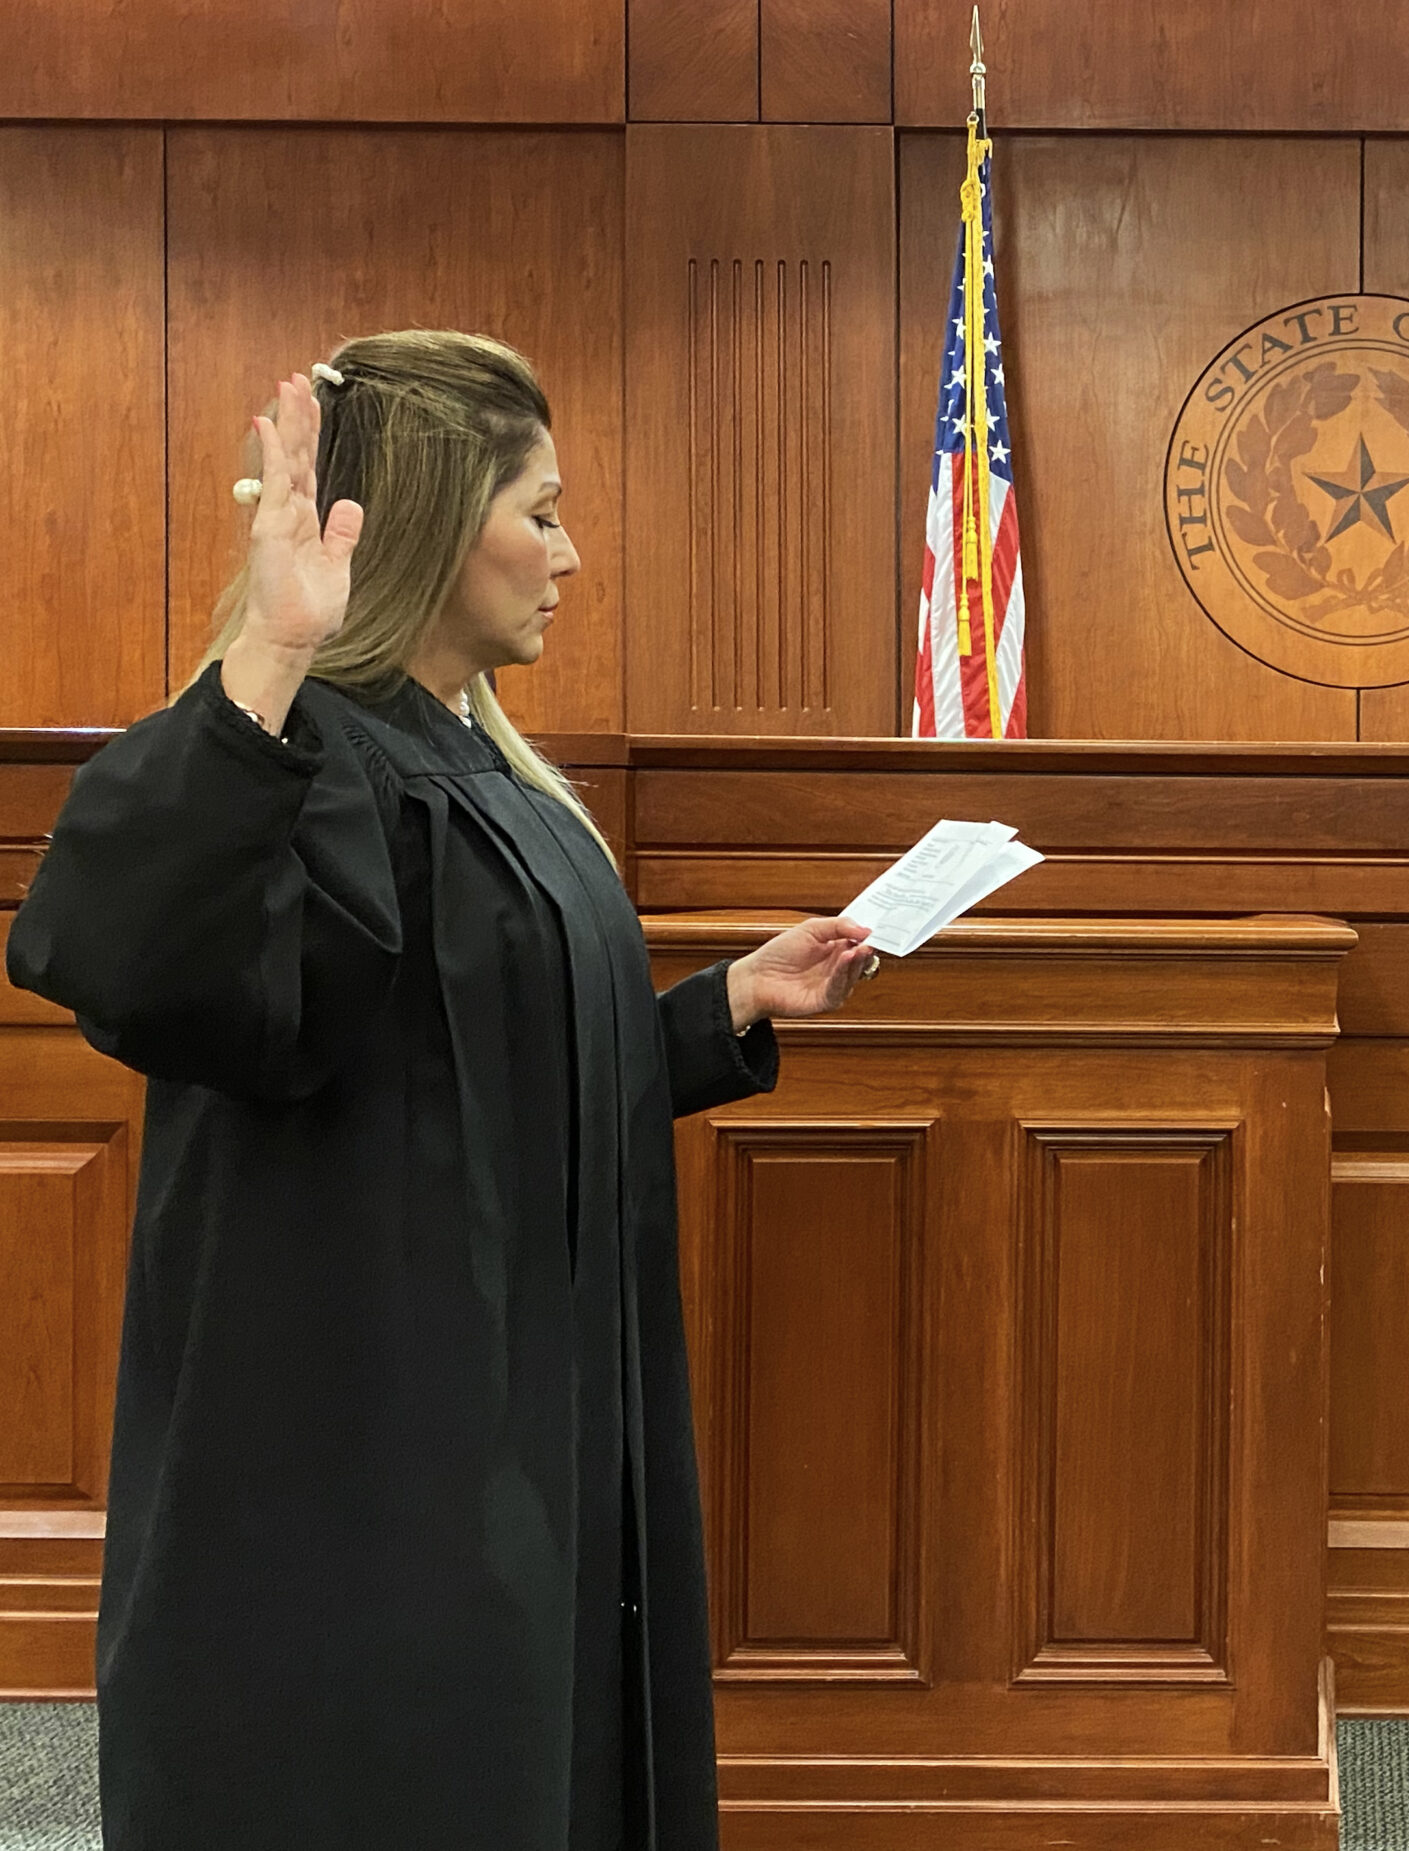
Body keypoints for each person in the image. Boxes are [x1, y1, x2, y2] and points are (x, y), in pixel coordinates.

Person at [6, 332, 875, 1849]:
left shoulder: (488, 773)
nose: (570, 553)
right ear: (422, 525)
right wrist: (265, 654)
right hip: (362, 1463)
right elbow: (119, 955)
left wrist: (724, 1008)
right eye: (538, 513)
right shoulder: (306, 761)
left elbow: (486, 1075)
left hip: (506, 1435)